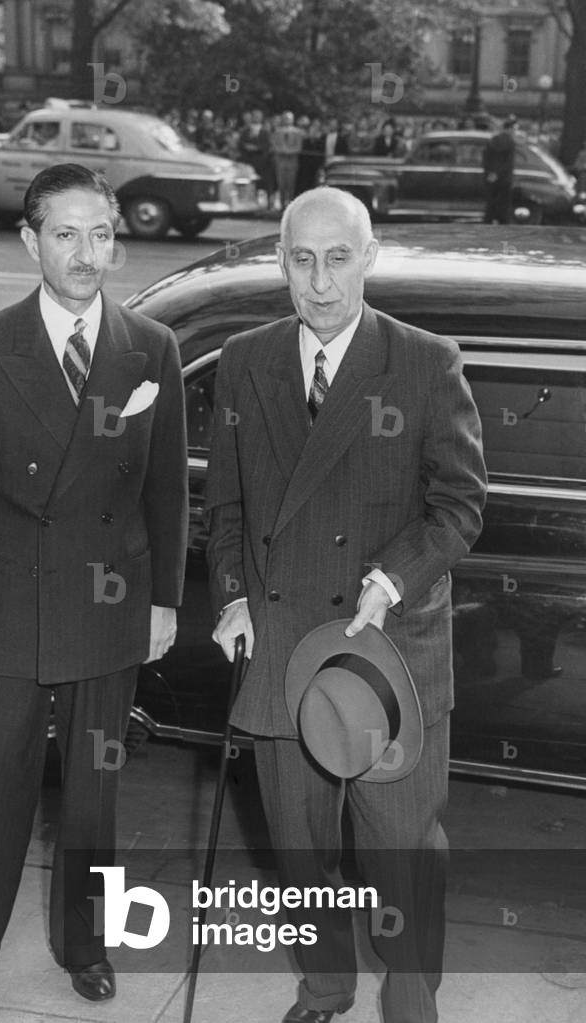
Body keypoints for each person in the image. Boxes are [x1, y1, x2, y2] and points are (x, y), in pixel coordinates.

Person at [205, 186, 486, 1023]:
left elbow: (461, 505)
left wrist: (394, 574)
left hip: (386, 655)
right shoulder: (243, 362)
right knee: (301, 853)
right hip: (284, 655)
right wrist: (231, 599)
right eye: (301, 259)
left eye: (337, 259)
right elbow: (224, 509)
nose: (320, 282)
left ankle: (409, 1005)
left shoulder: (426, 361)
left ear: (368, 258)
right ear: (280, 262)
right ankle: (325, 989)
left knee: (402, 854)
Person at [0, 164, 188, 1013]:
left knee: (94, 796)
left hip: (111, 604)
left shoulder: (152, 347)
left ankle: (88, 944)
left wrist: (163, 602)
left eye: (100, 234)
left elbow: (165, 492)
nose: (85, 253)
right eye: (65, 234)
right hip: (6, 602)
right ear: (30, 240)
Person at [483, 115, 517, 224]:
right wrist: (498, 173)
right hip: (504, 178)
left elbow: (486, 158)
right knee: (504, 205)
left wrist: (491, 173)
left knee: (491, 203)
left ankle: (488, 221)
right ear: (510, 129)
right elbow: (507, 162)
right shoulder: (510, 142)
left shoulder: (493, 140)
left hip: (491, 177)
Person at [271, 110, 305, 210]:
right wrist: (282, 151)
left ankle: (290, 205)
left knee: (291, 184)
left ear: (293, 120)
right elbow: (275, 146)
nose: (287, 120)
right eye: (286, 118)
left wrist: (288, 151)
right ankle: (282, 204)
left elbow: (298, 147)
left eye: (289, 118)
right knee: (281, 184)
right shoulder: (277, 132)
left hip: (292, 162)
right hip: (280, 162)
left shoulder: (297, 132)